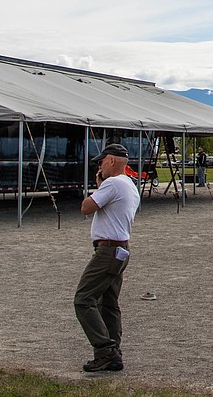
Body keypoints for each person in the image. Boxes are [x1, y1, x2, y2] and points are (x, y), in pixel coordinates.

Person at [74, 143, 141, 373]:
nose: (99, 166)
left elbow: (86, 208)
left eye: (101, 162)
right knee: (109, 303)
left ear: (111, 160)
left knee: (83, 299)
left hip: (108, 251)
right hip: (121, 248)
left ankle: (105, 350)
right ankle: (114, 352)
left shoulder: (112, 183)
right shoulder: (130, 185)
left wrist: (99, 187)